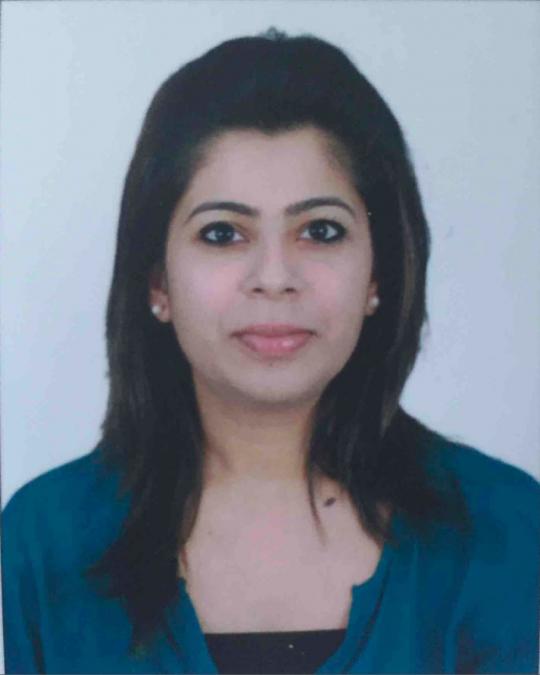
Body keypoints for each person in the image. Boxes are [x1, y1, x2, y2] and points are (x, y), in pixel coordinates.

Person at [2, 27, 539, 675]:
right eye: (222, 234)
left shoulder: (505, 529)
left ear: (378, 275)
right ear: (157, 282)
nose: (275, 276)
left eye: (321, 230)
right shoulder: (46, 541)